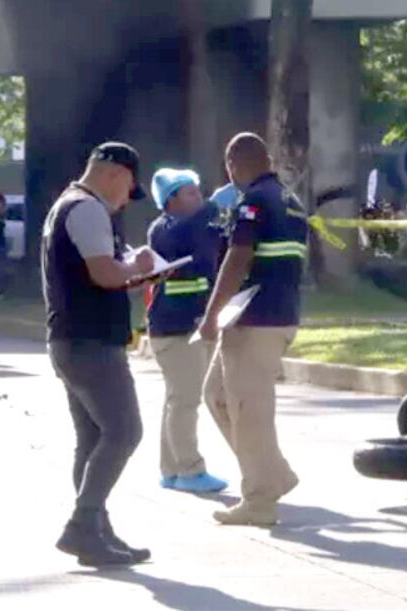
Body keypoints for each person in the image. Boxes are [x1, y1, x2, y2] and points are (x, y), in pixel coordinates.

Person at [43, 142, 155, 567]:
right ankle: (82, 524)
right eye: (129, 188)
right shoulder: (88, 209)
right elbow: (104, 273)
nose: (127, 199)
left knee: (91, 440)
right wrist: (140, 267)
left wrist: (128, 266)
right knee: (125, 431)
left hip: (71, 340)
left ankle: (97, 532)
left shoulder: (64, 207)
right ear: (114, 173)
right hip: (90, 342)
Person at [197, 133, 307, 527]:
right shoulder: (291, 201)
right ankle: (274, 474)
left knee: (249, 411)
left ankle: (259, 500)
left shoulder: (254, 200)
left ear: (232, 164)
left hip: (254, 319)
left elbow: (239, 257)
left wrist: (211, 314)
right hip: (279, 315)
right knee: (218, 397)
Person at [146, 168, 228, 494]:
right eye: (190, 192)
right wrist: (215, 205)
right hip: (176, 328)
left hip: (189, 324)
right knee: (185, 401)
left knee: (176, 399)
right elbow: (195, 233)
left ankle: (171, 469)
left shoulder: (196, 226)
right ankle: (190, 470)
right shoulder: (166, 230)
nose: (200, 196)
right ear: (170, 201)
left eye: (199, 190)